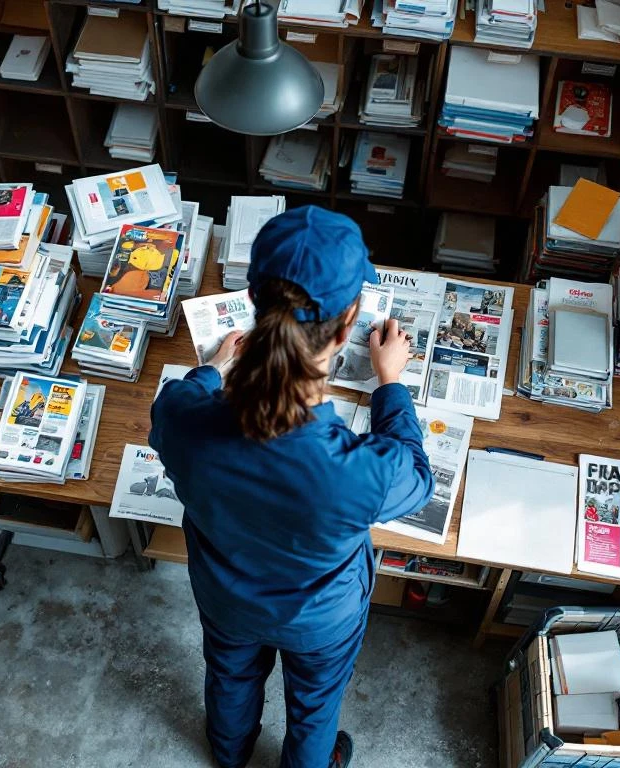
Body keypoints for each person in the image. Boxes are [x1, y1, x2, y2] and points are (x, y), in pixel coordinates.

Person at [149, 206, 434, 768]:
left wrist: (211, 370)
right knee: (315, 706)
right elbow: (418, 478)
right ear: (349, 323)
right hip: (319, 617)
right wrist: (390, 382)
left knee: (229, 677)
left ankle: (228, 755)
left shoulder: (183, 418)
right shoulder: (360, 472)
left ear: (254, 302)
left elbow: (173, 409)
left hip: (226, 598)